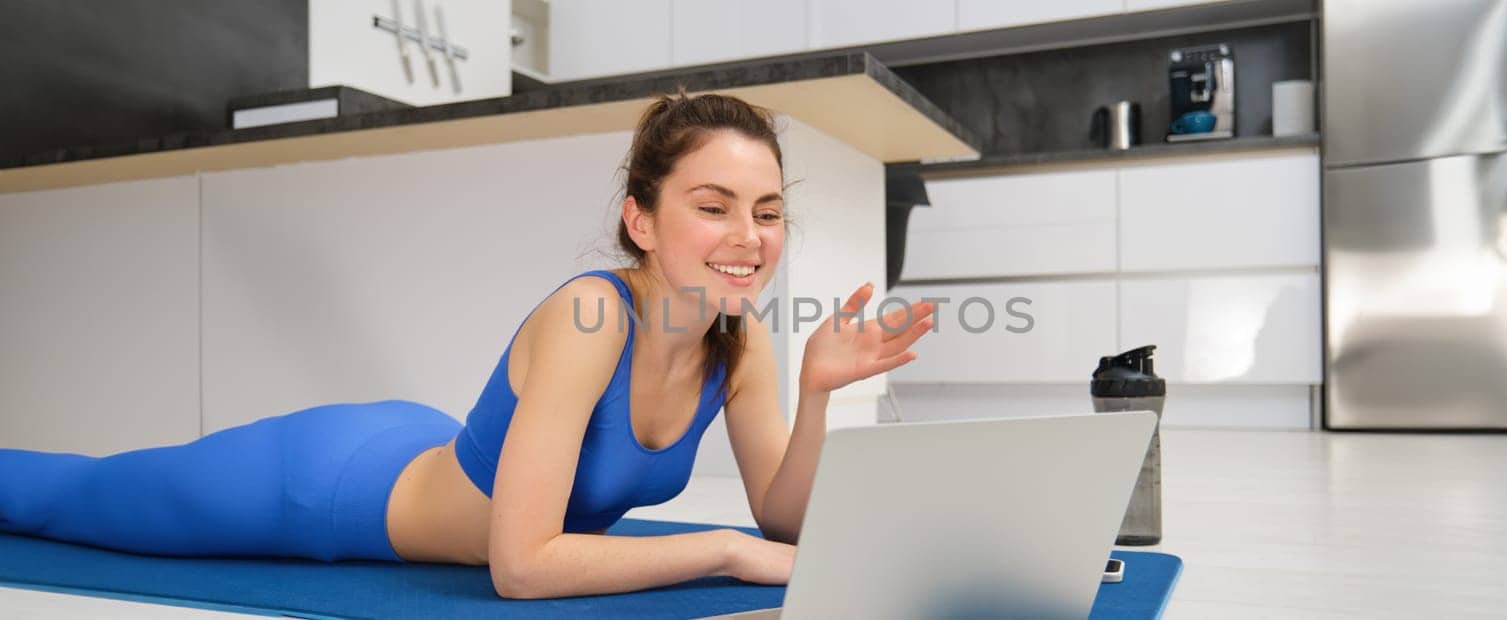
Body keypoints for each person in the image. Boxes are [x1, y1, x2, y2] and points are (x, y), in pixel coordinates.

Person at [0, 92, 937, 600]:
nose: (749, 235)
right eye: (713, 206)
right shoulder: (592, 316)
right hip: (329, 488)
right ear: (641, 221)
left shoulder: (741, 344)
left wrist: (819, 396)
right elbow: (522, 565)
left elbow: (786, 525)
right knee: (65, 498)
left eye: (767, 212)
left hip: (421, 439)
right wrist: (719, 551)